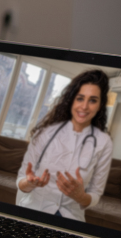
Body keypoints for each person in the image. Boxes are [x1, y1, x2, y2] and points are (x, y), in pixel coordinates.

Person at [15, 69, 115, 222]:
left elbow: (95, 194)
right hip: (34, 211)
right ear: (71, 100)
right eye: (80, 98)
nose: (84, 106)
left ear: (100, 105)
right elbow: (21, 181)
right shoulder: (45, 133)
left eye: (93, 100)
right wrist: (29, 183)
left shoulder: (104, 142)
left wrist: (82, 197)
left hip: (71, 218)